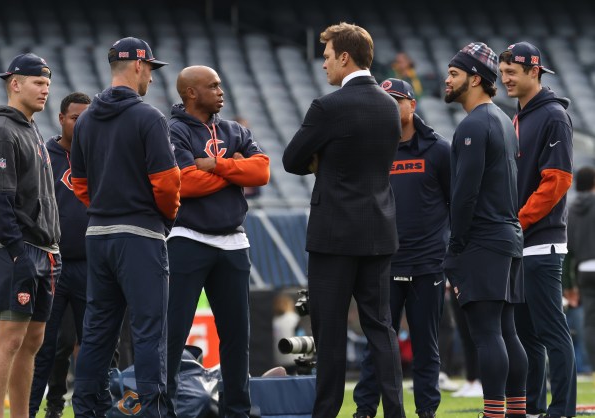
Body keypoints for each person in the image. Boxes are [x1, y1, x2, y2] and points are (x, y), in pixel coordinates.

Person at [282, 22, 405, 418]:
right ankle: (396, 412)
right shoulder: (391, 106)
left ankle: (326, 413)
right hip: (379, 231)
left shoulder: (328, 107)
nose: (324, 65)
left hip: (333, 236)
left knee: (329, 333)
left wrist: (322, 162)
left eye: (327, 57)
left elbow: (290, 160)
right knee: (381, 329)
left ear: (345, 58)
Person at [70, 37, 181, 418]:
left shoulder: (84, 119)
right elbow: (167, 182)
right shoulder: (148, 117)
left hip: (98, 236)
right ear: (137, 66)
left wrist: (104, 209)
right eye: (149, 67)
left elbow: (80, 185)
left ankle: (86, 410)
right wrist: (165, 218)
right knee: (149, 330)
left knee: (97, 331)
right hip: (139, 235)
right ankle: (152, 412)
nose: (151, 75)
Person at [165, 65, 270, 418]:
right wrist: (234, 168)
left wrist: (214, 166)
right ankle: (165, 408)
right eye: (213, 86)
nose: (221, 91)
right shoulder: (173, 130)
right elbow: (185, 183)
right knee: (173, 334)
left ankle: (237, 411)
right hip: (187, 238)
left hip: (234, 242)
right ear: (191, 93)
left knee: (237, 338)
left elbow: (262, 172)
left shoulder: (234, 129)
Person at [352, 78, 450, 418]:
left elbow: (457, 204)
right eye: (385, 101)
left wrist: (448, 257)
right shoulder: (372, 151)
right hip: (383, 265)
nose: (391, 107)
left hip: (428, 266)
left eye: (397, 100)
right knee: (376, 346)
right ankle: (364, 410)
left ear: (413, 104)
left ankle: (426, 411)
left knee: (426, 346)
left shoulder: (439, 150)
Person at [443, 42, 527, 418]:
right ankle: (516, 411)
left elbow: (464, 196)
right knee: (507, 331)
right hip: (508, 237)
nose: (447, 80)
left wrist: (456, 246)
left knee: (487, 334)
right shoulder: (504, 122)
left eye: (454, 73)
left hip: (484, 240)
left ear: (475, 78)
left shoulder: (473, 125)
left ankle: (494, 413)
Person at [0, 52, 62, 418]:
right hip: (15, 249)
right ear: (15, 84)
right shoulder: (1, 132)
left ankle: (20, 415)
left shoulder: (30, 128)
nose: (45, 89)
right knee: (8, 338)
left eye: (47, 83)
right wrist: (16, 251)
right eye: (38, 83)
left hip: (44, 249)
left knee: (32, 341)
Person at [499, 41, 577, 418]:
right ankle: (533, 408)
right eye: (501, 73)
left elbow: (558, 181)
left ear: (535, 71)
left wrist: (518, 221)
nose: (505, 80)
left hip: (541, 244)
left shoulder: (552, 116)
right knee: (527, 336)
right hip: (520, 243)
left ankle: (561, 410)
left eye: (512, 72)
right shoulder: (519, 116)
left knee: (552, 333)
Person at [28, 92, 91, 418]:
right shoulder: (44, 155)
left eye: (86, 118)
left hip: (90, 264)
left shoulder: (97, 156)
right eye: (75, 118)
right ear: (62, 119)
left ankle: (89, 410)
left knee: (96, 347)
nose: (81, 125)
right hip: (51, 262)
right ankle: (32, 410)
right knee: (44, 346)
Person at [567, 166, 595, 380]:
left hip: (583, 270)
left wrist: (568, 283)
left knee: (589, 322)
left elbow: (568, 250)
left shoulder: (571, 208)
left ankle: (592, 367)